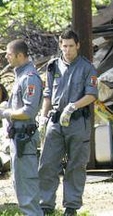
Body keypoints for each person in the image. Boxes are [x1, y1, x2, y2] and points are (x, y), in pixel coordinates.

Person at [38, 29, 98, 216]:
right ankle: (45, 205)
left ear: (78, 45)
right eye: (64, 46)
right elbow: (48, 94)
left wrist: (73, 106)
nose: (68, 50)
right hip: (55, 121)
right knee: (47, 163)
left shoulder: (87, 67)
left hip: (77, 121)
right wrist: (43, 116)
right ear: (60, 45)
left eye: (71, 46)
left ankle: (71, 207)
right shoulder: (53, 66)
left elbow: (92, 95)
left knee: (76, 165)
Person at [0, 39, 44, 215]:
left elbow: (28, 111)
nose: (7, 58)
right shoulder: (21, 75)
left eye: (9, 55)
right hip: (18, 138)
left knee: (26, 184)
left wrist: (6, 113)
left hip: (24, 138)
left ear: (19, 55)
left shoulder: (29, 78)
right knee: (20, 184)